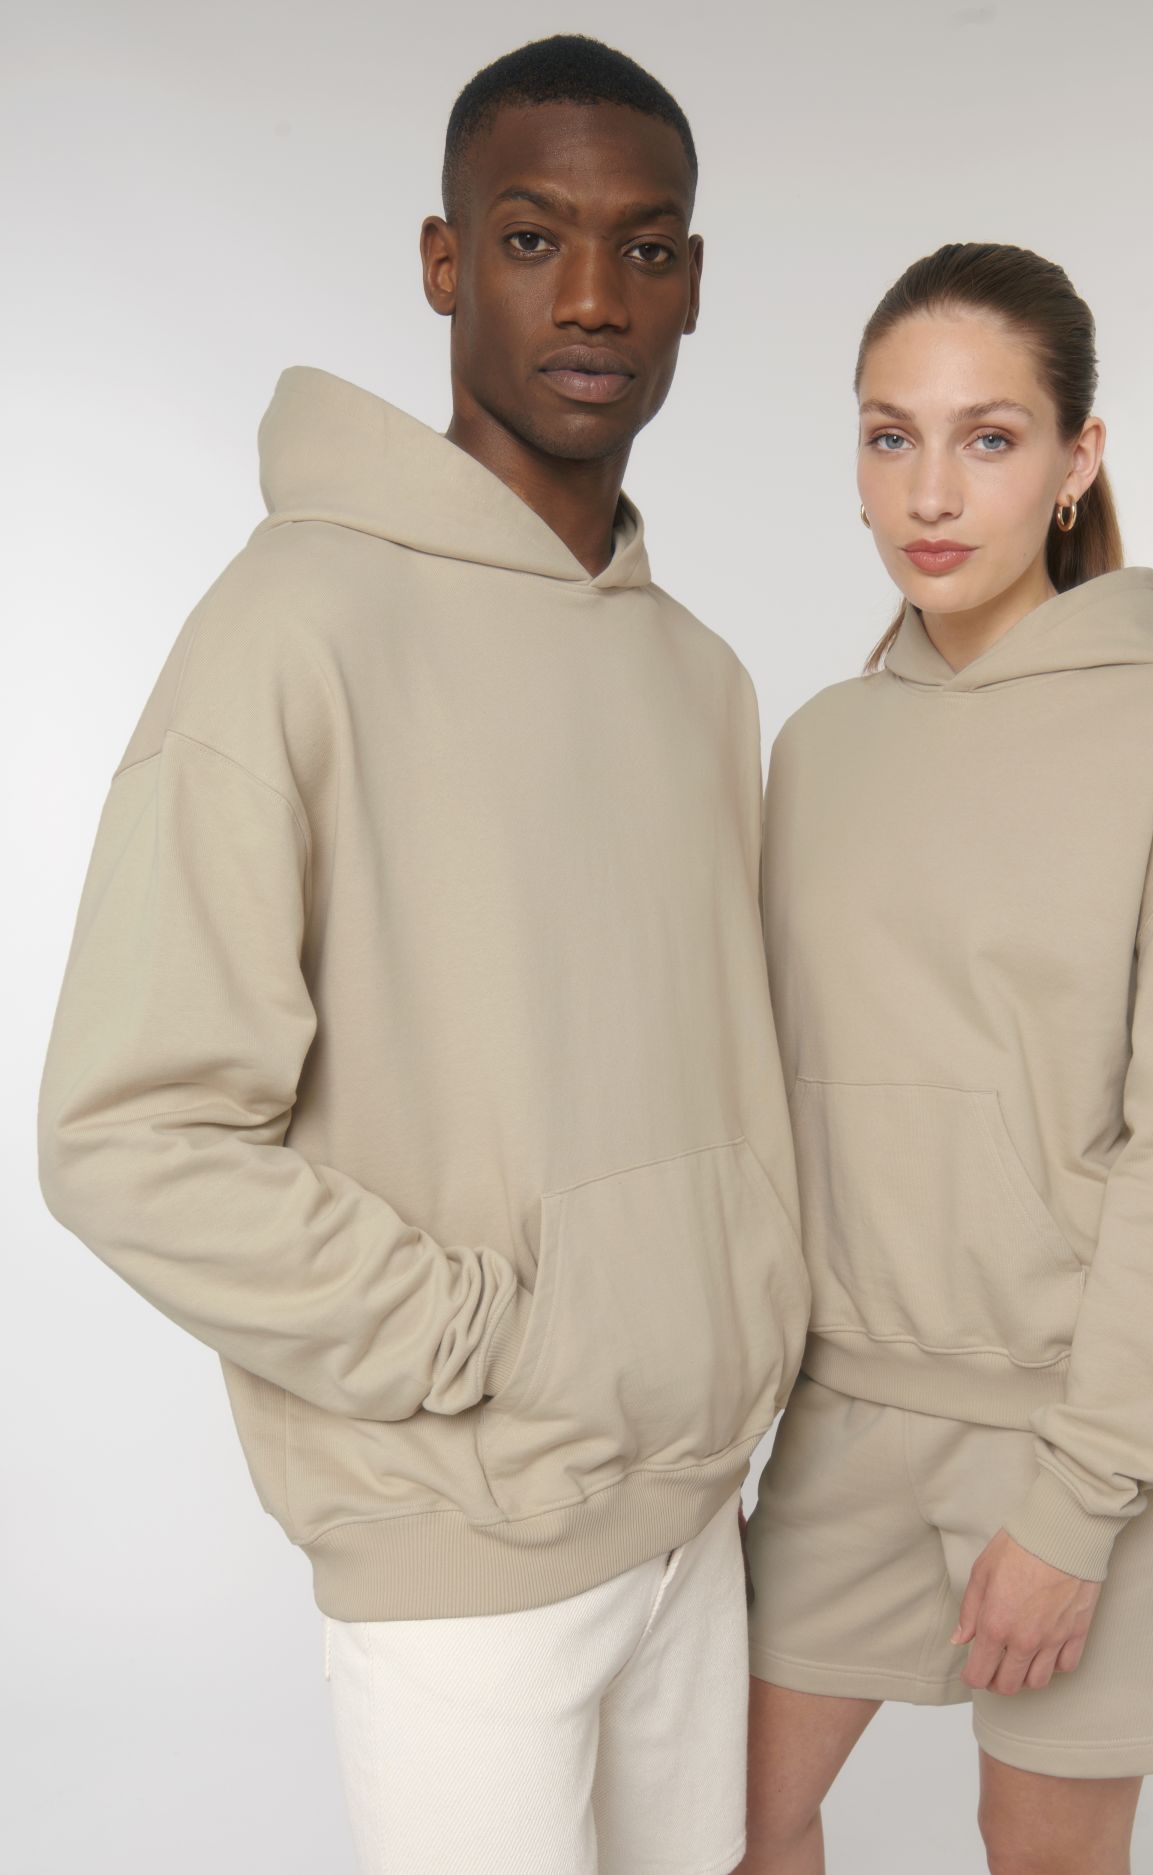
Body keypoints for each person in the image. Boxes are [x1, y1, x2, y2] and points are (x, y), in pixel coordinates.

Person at [36, 33, 809, 1875]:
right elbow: (126, 1137)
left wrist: (720, 1344)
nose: (595, 296)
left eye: (645, 248)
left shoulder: (699, 677)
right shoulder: (290, 629)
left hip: (699, 1524)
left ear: (694, 283)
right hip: (463, 1554)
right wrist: (488, 1340)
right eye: (535, 239)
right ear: (445, 263)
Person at [737, 242, 1153, 1874]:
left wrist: (1081, 1498)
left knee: (1040, 1857)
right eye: (890, 436)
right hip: (838, 1416)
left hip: (1076, 1427)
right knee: (724, 1828)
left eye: (988, 438)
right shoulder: (820, 747)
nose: (930, 492)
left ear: (1075, 461)